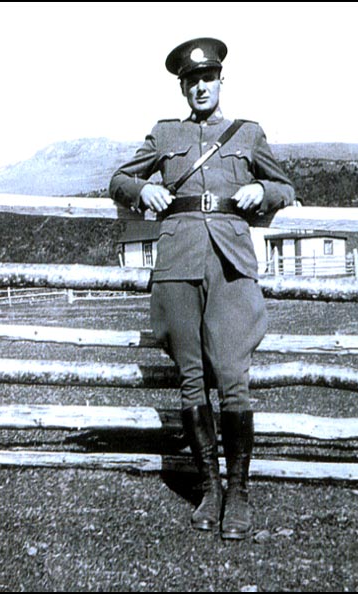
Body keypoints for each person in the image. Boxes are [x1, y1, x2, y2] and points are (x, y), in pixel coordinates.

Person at [109, 37, 295, 540]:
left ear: (219, 81)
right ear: (183, 87)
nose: (200, 88)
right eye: (192, 82)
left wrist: (264, 190)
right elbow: (120, 180)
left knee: (233, 374)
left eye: (207, 79)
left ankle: (238, 494)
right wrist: (142, 187)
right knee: (191, 377)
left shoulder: (248, 133)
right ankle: (209, 489)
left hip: (231, 262)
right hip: (177, 262)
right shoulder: (164, 132)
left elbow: (286, 188)